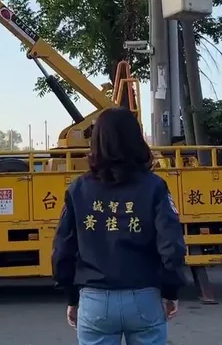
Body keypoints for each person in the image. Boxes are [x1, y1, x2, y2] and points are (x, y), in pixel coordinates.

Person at [52, 107, 187, 345]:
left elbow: (63, 250)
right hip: (145, 295)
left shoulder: (78, 190)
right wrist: (170, 292)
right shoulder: (155, 187)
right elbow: (172, 246)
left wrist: (72, 297)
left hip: (95, 299)